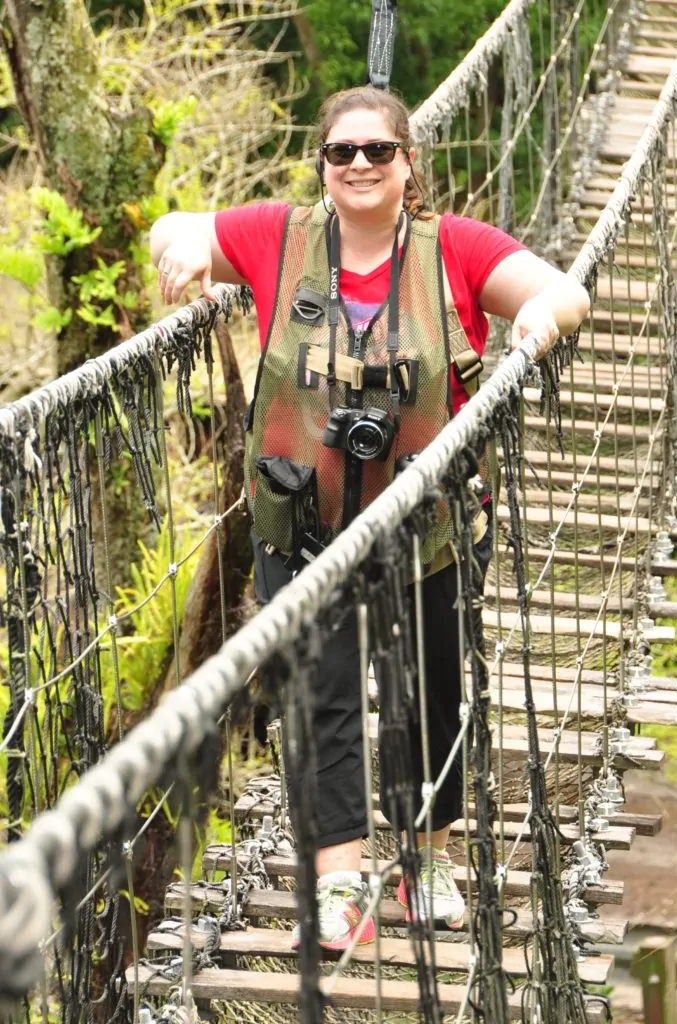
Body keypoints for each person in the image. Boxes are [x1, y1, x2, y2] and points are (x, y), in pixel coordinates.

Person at [150, 86, 590, 952]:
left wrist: (538, 317)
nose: (359, 165)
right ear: (321, 165)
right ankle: (338, 877)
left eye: (378, 151)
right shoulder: (276, 236)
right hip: (300, 523)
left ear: (407, 163)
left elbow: (562, 293)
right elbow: (178, 226)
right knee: (320, 700)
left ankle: (428, 860)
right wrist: (188, 259)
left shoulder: (454, 248)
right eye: (342, 152)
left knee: (428, 693)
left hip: (426, 523)